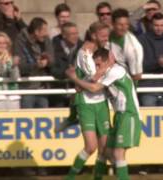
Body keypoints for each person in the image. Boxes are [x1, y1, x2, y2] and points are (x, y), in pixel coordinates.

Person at [66, 48, 141, 180]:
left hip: (129, 114)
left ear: (107, 61)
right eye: (95, 65)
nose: (96, 67)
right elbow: (89, 82)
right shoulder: (107, 72)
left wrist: (74, 78)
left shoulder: (116, 71)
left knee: (118, 154)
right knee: (106, 151)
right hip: (119, 115)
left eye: (99, 64)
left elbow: (94, 87)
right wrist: (82, 83)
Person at [64, 22, 114, 180]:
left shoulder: (99, 50)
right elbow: (94, 79)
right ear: (93, 36)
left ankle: (97, 178)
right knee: (91, 146)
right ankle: (69, 177)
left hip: (101, 102)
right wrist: (108, 66)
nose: (106, 39)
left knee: (104, 148)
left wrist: (78, 81)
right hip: (86, 102)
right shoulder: (84, 53)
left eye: (107, 35)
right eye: (103, 36)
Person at [138, 13, 163, 107]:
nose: (159, 28)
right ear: (151, 25)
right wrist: (157, 64)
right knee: (148, 120)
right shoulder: (141, 40)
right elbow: (139, 65)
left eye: (162, 25)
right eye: (156, 25)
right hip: (147, 88)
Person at [13, 17, 54, 109]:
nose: (47, 33)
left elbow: (52, 59)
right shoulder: (20, 40)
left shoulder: (46, 39)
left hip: (42, 87)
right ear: (36, 31)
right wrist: (36, 65)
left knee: (44, 117)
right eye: (44, 30)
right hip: (27, 87)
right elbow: (21, 66)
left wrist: (47, 60)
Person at [50, 22, 83, 107]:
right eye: (72, 34)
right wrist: (66, 72)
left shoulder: (83, 47)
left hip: (77, 92)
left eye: (76, 33)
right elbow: (52, 69)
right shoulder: (53, 47)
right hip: (59, 92)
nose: (75, 36)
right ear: (64, 35)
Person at [0, 31, 21, 109]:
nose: (2, 45)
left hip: (12, 97)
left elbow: (15, 78)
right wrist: (1, 64)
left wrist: (14, 66)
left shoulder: (10, 58)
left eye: (4, 43)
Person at [110, 8, 144, 81]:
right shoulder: (106, 37)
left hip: (125, 85)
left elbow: (137, 76)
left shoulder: (134, 47)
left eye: (126, 24)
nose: (124, 28)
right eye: (120, 25)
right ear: (113, 24)